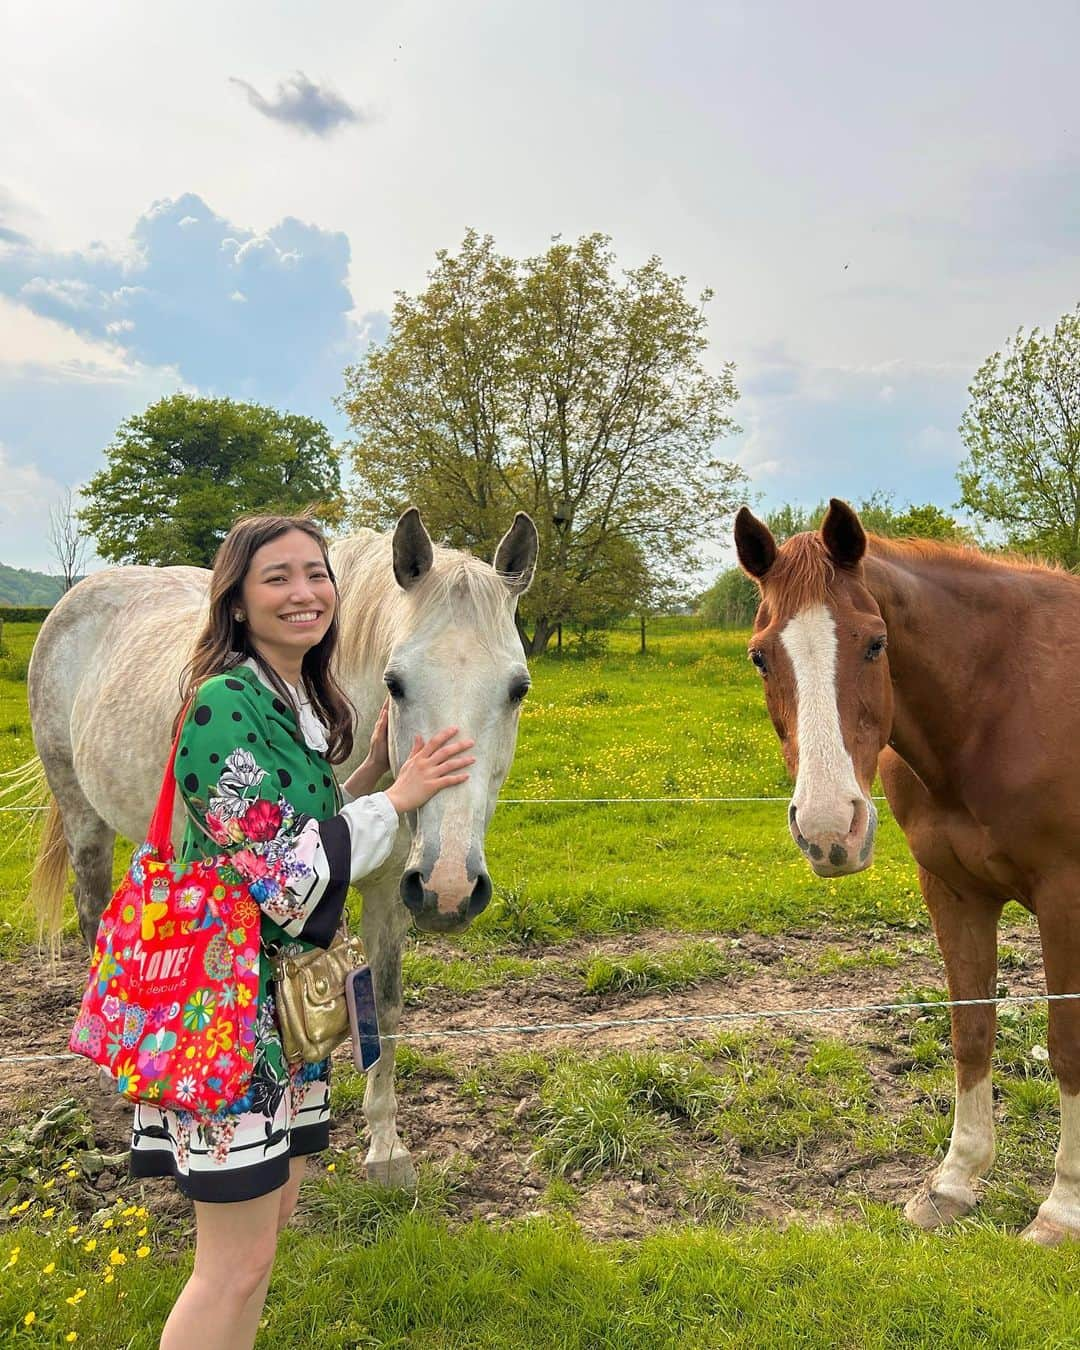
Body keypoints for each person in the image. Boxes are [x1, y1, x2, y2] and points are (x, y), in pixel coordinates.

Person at [129, 513, 475, 1350]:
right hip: (228, 1023)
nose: (305, 593)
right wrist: (396, 800)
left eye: (316, 574)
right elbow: (281, 876)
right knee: (232, 1266)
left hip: (284, 1014)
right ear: (238, 602)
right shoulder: (221, 707)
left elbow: (300, 816)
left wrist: (368, 772)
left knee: (267, 1231)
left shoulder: (292, 705)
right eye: (276, 577)